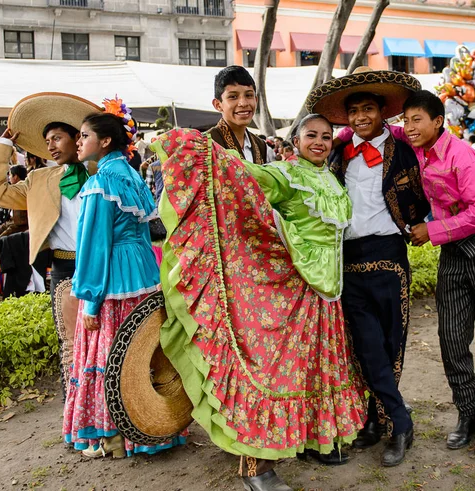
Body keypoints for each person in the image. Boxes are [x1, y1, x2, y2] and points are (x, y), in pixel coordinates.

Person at [153, 114, 367, 490]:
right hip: (293, 288)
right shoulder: (285, 174)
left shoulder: (330, 178)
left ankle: (313, 441)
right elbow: (246, 175)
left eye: (326, 137)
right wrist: (204, 150)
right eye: (311, 136)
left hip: (327, 295)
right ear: (295, 140)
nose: (319, 142)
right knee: (275, 371)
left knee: (316, 368)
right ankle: (256, 467)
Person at [305, 68, 429, 467]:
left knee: (391, 346)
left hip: (390, 257)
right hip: (348, 262)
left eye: (369, 109)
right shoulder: (338, 153)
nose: (361, 117)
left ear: (382, 113)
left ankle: (386, 421)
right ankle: (394, 420)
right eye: (354, 110)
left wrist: (426, 224)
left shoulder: (405, 150)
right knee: (365, 348)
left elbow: (429, 189)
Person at [63, 97, 185, 458]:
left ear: (104, 142)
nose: (78, 142)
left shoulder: (101, 182)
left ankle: (113, 438)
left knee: (111, 356)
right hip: (144, 270)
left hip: (113, 277)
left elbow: (93, 245)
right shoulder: (130, 174)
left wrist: (89, 296)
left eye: (84, 136)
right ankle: (155, 429)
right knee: (144, 352)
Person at [402, 90, 475, 457]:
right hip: (453, 252)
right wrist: (339, 132)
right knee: (451, 339)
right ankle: (468, 416)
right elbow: (384, 129)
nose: (409, 126)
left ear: (438, 121)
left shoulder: (461, 156)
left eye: (416, 119)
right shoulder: (415, 141)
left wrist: (431, 231)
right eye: (406, 120)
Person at [0, 92, 101, 397]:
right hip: (63, 267)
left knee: (107, 338)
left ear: (77, 139)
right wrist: (2, 146)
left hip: (103, 264)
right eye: (47, 140)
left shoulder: (103, 171)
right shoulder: (38, 180)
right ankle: (75, 411)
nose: (50, 146)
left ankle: (111, 411)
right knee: (71, 341)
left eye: (56, 138)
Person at [207, 65, 275, 164]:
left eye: (248, 95)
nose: (243, 103)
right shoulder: (205, 144)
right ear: (218, 105)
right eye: (233, 96)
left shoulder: (261, 147)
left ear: (256, 100)